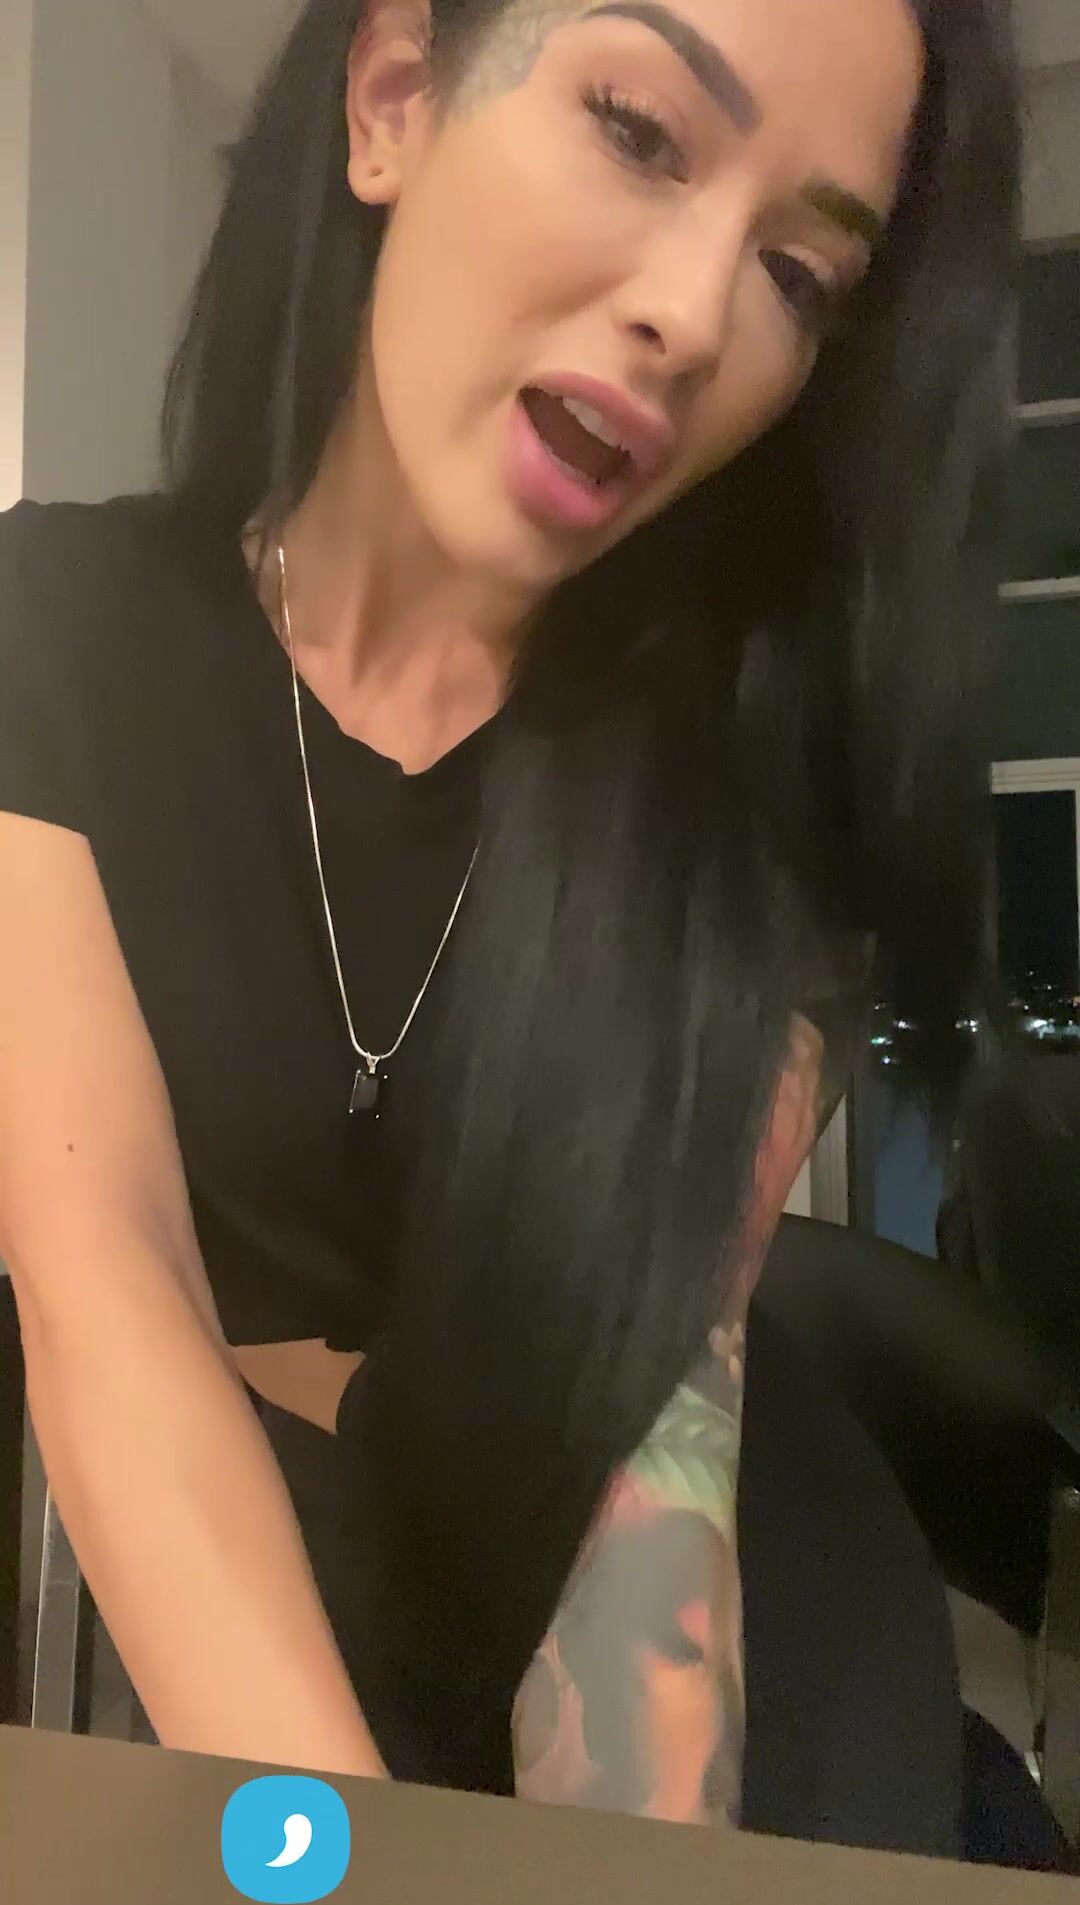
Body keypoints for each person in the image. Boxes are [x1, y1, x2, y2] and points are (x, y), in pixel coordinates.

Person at [0, 0, 1019, 1842]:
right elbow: (107, 1280)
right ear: (395, 96)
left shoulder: (727, 820)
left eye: (797, 274)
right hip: (286, 1628)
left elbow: (652, 1463)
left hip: (737, 1666)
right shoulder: (53, 634)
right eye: (639, 128)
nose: (695, 315)